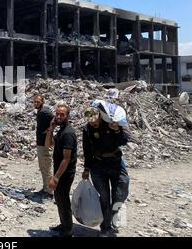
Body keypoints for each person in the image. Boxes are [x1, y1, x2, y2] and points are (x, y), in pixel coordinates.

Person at [82, 106, 130, 237]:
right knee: (104, 197)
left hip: (116, 163)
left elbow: (124, 141)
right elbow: (87, 151)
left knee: (121, 191)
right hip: (98, 165)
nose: (93, 123)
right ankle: (106, 227)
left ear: (99, 117)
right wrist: (87, 168)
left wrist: (117, 131)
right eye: (90, 121)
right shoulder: (87, 130)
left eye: (95, 120)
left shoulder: (111, 124)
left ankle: (114, 214)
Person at [45, 101, 77, 237]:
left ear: (68, 116)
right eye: (57, 114)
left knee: (63, 200)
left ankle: (68, 230)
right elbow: (48, 144)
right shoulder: (61, 131)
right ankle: (63, 224)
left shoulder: (68, 133)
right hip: (59, 170)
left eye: (62, 115)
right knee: (59, 198)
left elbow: (67, 158)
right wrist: (51, 129)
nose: (58, 117)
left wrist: (56, 177)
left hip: (65, 173)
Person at [33, 96, 54, 199]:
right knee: (43, 167)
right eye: (34, 102)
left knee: (47, 167)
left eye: (38, 102)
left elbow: (54, 119)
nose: (36, 103)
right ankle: (45, 188)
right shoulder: (40, 111)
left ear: (42, 102)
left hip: (45, 144)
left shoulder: (45, 112)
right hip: (40, 143)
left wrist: (49, 130)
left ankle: (50, 191)